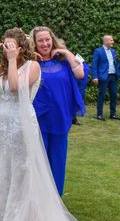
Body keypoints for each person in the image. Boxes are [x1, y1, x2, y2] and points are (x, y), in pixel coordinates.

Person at [0, 28, 120, 221]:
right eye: (5, 45)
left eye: (11, 45)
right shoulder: (3, 64)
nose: (8, 48)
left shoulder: (31, 66)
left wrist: (11, 61)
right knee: (5, 168)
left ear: (21, 46)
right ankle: (2, 217)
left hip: (22, 123)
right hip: (4, 124)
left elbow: (14, 86)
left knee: (23, 169)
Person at [30, 26, 85, 196]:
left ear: (52, 39)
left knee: (58, 160)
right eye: (40, 40)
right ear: (34, 43)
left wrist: (66, 53)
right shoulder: (31, 63)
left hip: (60, 118)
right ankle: (38, 199)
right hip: (38, 119)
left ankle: (56, 199)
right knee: (38, 161)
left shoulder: (63, 61)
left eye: (47, 39)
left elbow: (80, 74)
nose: (45, 44)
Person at [92, 35, 119, 121]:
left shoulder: (113, 51)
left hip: (113, 76)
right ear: (106, 41)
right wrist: (95, 76)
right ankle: (99, 115)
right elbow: (94, 65)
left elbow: (115, 63)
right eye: (111, 40)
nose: (113, 42)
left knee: (114, 95)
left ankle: (113, 114)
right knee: (102, 95)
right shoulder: (98, 51)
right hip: (103, 76)